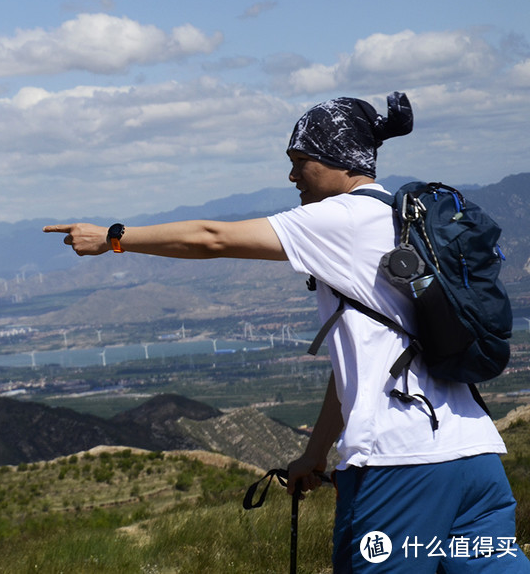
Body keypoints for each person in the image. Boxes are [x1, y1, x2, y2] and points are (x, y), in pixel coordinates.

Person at [44, 92, 528, 573]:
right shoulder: (403, 220)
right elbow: (358, 365)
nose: (293, 176)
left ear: (340, 159)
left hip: (402, 461)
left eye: (301, 161)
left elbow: (213, 239)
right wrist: (315, 454)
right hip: (475, 457)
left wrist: (113, 238)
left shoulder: (342, 218)